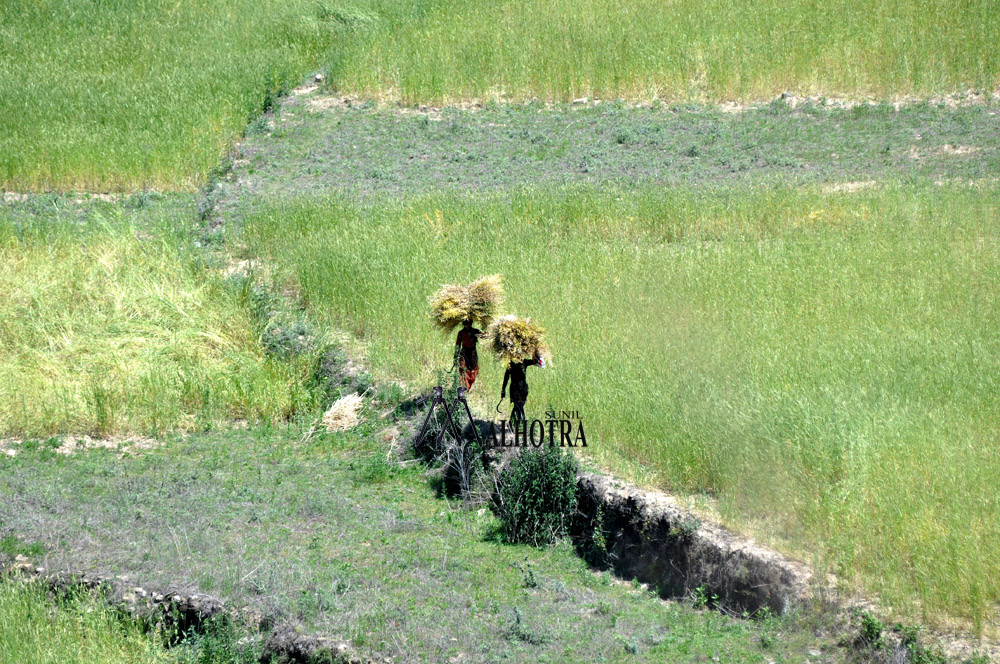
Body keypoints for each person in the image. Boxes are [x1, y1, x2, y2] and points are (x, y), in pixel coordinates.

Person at [501, 349, 545, 427]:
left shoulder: (523, 362)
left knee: (517, 406)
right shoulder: (513, 364)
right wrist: (503, 390)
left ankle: (511, 424)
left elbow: (536, 361)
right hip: (515, 389)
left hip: (522, 389)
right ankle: (523, 423)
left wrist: (536, 352)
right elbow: (506, 378)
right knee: (519, 406)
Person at [455, 319, 482, 390]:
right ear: (464, 324)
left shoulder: (475, 331)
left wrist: (483, 327)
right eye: (466, 324)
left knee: (473, 370)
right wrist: (456, 356)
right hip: (464, 353)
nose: (468, 325)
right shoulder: (461, 333)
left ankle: (469, 386)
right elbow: (458, 344)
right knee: (463, 369)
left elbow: (484, 336)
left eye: (469, 324)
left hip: (472, 353)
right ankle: (464, 387)